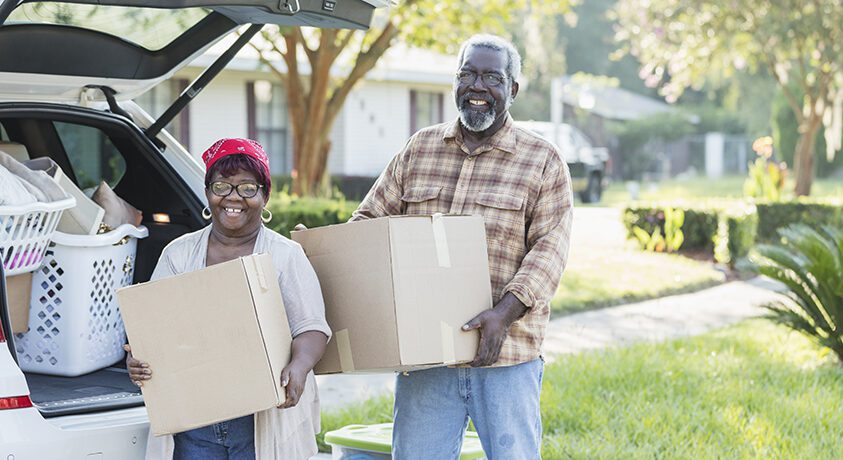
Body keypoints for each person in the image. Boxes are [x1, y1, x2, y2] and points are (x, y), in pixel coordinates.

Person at [350, 34, 573, 459]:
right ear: (455, 82)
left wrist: (502, 315)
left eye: (492, 77)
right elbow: (368, 223)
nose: (477, 87)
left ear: (513, 89)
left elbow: (550, 250)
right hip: (426, 357)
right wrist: (330, 250)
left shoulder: (541, 160)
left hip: (506, 355)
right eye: (467, 74)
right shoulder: (419, 149)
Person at [124, 138, 331, 460]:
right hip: (194, 422)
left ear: (265, 196)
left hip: (263, 417)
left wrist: (300, 366)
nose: (233, 198)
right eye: (222, 186)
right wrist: (139, 360)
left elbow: (312, 326)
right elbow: (154, 327)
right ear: (208, 193)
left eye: (248, 188)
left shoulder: (285, 256)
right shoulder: (178, 254)